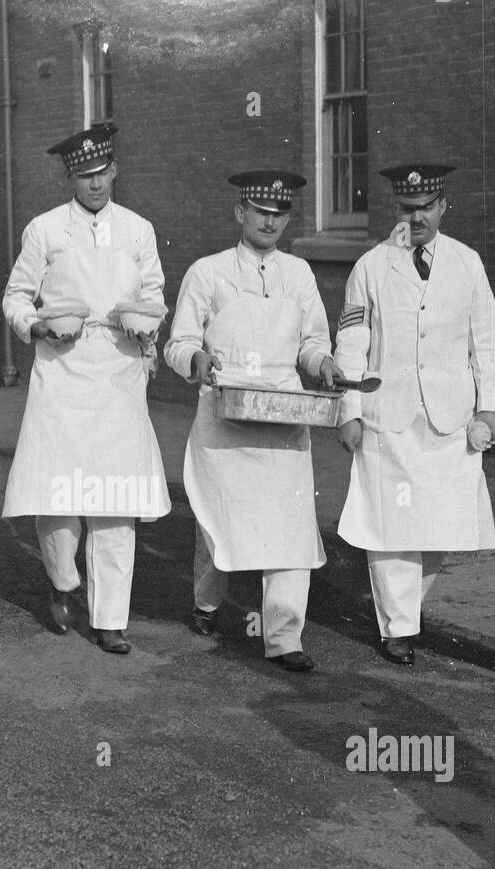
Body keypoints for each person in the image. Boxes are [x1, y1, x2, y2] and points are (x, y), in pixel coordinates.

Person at [2, 122, 171, 655]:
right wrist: (35, 327)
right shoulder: (45, 230)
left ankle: (110, 618)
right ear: (69, 176)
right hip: (62, 368)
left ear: (114, 170)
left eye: (102, 172)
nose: (94, 184)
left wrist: (147, 325)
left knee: (115, 499)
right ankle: (63, 580)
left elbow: (154, 295)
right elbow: (16, 296)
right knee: (59, 491)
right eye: (83, 175)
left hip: (119, 369)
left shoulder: (138, 230)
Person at [165, 171, 340, 671]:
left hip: (284, 412)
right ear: (241, 213)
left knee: (290, 524)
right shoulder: (208, 271)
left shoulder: (299, 274)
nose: (270, 221)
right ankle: (206, 603)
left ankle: (285, 638)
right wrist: (196, 361)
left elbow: (312, 341)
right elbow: (178, 341)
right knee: (218, 518)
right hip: (225, 409)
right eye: (261, 212)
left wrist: (322, 363)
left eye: (280, 213)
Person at [334, 164, 495, 666]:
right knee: (392, 527)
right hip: (388, 416)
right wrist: (348, 409)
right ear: (396, 209)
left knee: (445, 524)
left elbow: (487, 341)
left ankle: (405, 611)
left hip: (451, 419)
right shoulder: (370, 266)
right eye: (408, 208)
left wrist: (492, 407)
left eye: (426, 207)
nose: (418, 217)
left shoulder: (467, 264)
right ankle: (398, 628)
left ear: (442, 206)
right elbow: (351, 343)